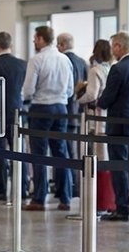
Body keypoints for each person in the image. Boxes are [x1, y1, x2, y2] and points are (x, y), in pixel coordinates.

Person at [21, 26, 73, 211]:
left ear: (42, 39)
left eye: (35, 38)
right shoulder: (65, 59)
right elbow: (70, 89)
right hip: (61, 108)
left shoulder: (37, 60)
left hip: (41, 108)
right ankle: (65, 198)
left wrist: (27, 99)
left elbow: (28, 89)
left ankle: (39, 198)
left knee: (39, 154)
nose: (34, 42)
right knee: (61, 154)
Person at [98, 31, 129, 222]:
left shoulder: (118, 69)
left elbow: (108, 98)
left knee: (119, 167)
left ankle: (122, 208)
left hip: (119, 125)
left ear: (119, 46)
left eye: (113, 46)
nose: (111, 50)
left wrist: (98, 102)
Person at [0, 32, 27, 200]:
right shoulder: (22, 65)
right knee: (19, 152)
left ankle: (1, 189)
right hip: (17, 112)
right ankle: (21, 190)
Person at [75, 39, 113, 161]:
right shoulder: (112, 68)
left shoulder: (95, 70)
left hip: (95, 114)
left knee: (93, 150)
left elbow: (92, 94)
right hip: (109, 112)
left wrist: (78, 99)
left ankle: (93, 177)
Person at [57, 33, 88, 164]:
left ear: (62, 45)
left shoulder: (61, 60)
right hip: (78, 110)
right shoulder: (82, 62)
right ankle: (75, 180)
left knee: (64, 149)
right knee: (75, 149)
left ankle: (69, 180)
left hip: (64, 109)